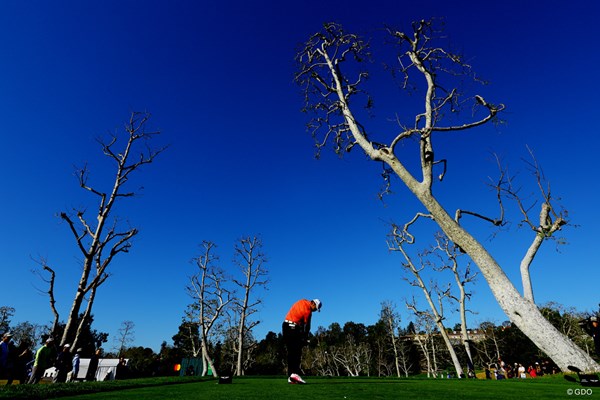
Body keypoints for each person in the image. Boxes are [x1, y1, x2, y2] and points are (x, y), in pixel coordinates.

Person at [282, 298, 322, 384]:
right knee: (296, 352)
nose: (315, 310)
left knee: (291, 352)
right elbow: (307, 327)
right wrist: (304, 338)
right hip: (292, 328)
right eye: (316, 308)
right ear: (313, 304)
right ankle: (294, 373)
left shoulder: (302, 301)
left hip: (285, 326)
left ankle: (290, 377)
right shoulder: (308, 311)